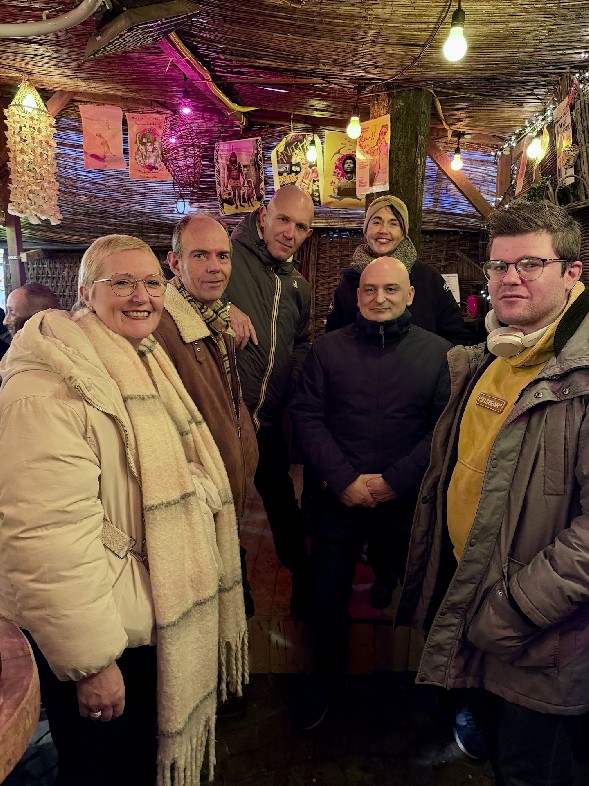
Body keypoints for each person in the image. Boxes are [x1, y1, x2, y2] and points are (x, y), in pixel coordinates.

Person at [0, 235, 248, 786]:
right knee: (100, 771)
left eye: (152, 283)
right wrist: (92, 664)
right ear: (86, 292)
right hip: (103, 632)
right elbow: (45, 543)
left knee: (137, 763)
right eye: (123, 283)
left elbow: (171, 470)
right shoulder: (48, 388)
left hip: (142, 610)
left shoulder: (141, 359)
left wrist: (196, 490)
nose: (141, 296)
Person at [396, 200, 589, 785]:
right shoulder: (494, 357)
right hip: (479, 607)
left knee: (533, 771)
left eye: (530, 264)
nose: (510, 278)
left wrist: (514, 610)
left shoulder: (579, 377)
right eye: (500, 265)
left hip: (541, 641)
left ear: (572, 273)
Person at [291, 257, 451, 728]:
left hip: (405, 501)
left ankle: (436, 691)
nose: (379, 298)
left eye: (391, 289)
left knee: (430, 594)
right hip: (338, 499)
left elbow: (443, 430)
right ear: (357, 295)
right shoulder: (327, 351)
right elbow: (307, 417)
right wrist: (343, 480)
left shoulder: (439, 354)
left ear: (410, 295)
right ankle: (327, 683)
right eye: (370, 289)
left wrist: (393, 482)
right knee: (326, 598)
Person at [153, 213, 259, 616]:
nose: (216, 267)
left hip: (223, 497)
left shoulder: (215, 318)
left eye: (222, 255)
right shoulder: (159, 325)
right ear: (174, 262)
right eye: (200, 255)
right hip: (192, 504)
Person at [223, 184, 314, 617]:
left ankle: (302, 579)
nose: (290, 233)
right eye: (283, 219)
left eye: (301, 227)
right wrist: (221, 310)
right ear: (263, 216)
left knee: (281, 501)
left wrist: (290, 382)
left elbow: (302, 341)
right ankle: (236, 588)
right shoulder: (227, 257)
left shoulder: (299, 286)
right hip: (223, 418)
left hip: (270, 420)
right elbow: (178, 293)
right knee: (223, 507)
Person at [325, 195, 465, 343]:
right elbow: (334, 339)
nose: (383, 230)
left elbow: (456, 334)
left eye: (393, 224)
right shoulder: (348, 283)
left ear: (403, 233)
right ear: (365, 230)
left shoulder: (428, 278)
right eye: (376, 222)